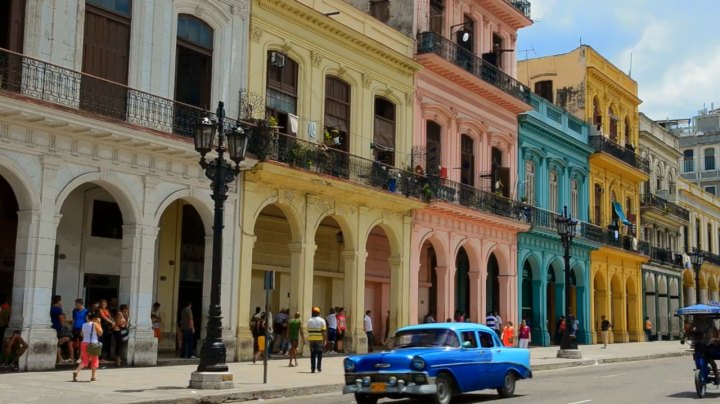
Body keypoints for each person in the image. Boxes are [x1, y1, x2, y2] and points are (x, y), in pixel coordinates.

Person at [72, 312, 102, 382]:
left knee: (84, 360)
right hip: (93, 343)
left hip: (84, 343)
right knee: (94, 360)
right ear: (95, 318)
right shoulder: (95, 324)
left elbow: (81, 334)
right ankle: (93, 377)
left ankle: (76, 371)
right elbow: (100, 333)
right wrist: (99, 323)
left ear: (87, 318)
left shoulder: (84, 325)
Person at [306, 307, 326, 373]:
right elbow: (323, 332)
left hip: (311, 340)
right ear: (318, 313)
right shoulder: (322, 320)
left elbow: (308, 330)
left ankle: (313, 368)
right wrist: (325, 340)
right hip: (319, 340)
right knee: (320, 354)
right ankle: (319, 367)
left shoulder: (309, 320)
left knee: (312, 354)